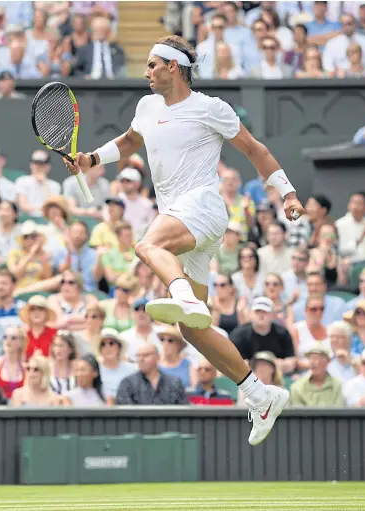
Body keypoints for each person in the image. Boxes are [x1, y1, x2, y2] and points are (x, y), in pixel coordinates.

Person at [64, 34, 305, 445]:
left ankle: (183, 294)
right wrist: (90, 159)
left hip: (204, 207)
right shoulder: (146, 107)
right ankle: (259, 394)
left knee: (147, 246)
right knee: (191, 329)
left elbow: (254, 149)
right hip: (183, 220)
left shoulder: (211, 108)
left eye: (153, 65)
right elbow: (129, 142)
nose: (147, 73)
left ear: (174, 67)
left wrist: (287, 192)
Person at [230, 297, 296, 375]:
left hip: (277, 377)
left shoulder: (282, 333)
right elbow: (233, 364)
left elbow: (291, 361)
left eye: (265, 312)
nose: (261, 315)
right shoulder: (239, 334)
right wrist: (269, 365)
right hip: (246, 379)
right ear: (250, 314)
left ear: (273, 315)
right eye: (257, 311)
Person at [116, 344, 189, 405]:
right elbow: (124, 414)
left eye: (146, 355)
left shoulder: (174, 383)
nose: (141, 359)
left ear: (158, 357)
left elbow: (184, 411)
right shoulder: (128, 383)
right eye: (138, 356)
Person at [322, 14, 365, 78]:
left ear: (355, 24)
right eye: (343, 24)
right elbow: (327, 64)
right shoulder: (332, 43)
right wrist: (334, 73)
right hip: (340, 79)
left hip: (363, 77)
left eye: (349, 23)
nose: (346, 27)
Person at [53, 221, 98, 293]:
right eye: (75, 232)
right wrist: (69, 253)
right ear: (69, 234)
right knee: (59, 278)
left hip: (89, 290)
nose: (77, 235)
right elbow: (63, 272)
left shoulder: (94, 254)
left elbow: (97, 277)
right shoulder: (62, 252)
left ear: (87, 236)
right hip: (67, 289)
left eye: (81, 233)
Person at [335, 192, 365, 263]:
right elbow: (341, 250)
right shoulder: (340, 224)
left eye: (359, 203)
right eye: (353, 202)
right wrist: (360, 239)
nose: (355, 206)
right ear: (348, 205)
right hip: (349, 263)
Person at [7, 221, 53, 289]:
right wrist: (30, 255)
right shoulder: (14, 253)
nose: (29, 240)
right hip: (20, 289)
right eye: (26, 237)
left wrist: (44, 261)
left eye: (33, 236)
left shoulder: (45, 254)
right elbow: (15, 275)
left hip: (39, 290)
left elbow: (47, 278)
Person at [291, 293, 330, 372]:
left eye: (321, 309)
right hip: (304, 374)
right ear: (305, 310)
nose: (318, 312)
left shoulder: (330, 330)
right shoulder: (297, 329)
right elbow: (293, 360)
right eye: (313, 309)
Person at [15, 150, 61, 217]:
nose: (38, 166)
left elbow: (53, 206)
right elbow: (23, 205)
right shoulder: (21, 181)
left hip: (47, 220)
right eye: (35, 163)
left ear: (48, 166)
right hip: (26, 221)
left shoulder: (55, 185)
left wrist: (44, 183)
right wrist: (40, 209)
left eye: (42, 164)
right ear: (31, 165)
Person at [98, 328, 136, 401]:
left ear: (119, 347)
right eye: (103, 344)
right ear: (100, 349)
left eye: (111, 343)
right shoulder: (95, 369)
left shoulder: (132, 369)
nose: (107, 347)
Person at [120, 297, 162, 361]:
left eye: (144, 309)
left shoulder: (164, 333)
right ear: (132, 313)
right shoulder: (123, 338)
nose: (141, 313)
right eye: (137, 309)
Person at [19, 295, 57, 360]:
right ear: (28, 314)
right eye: (32, 309)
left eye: (41, 309)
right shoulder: (23, 335)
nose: (36, 312)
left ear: (46, 313)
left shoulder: (55, 334)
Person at [0, 325, 26, 399]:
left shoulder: (26, 367)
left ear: (21, 342)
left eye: (13, 338)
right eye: (5, 337)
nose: (8, 341)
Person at [49, 331, 77, 395]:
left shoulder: (77, 367)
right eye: (55, 345)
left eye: (61, 346)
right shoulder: (47, 366)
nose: (58, 350)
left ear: (71, 349)